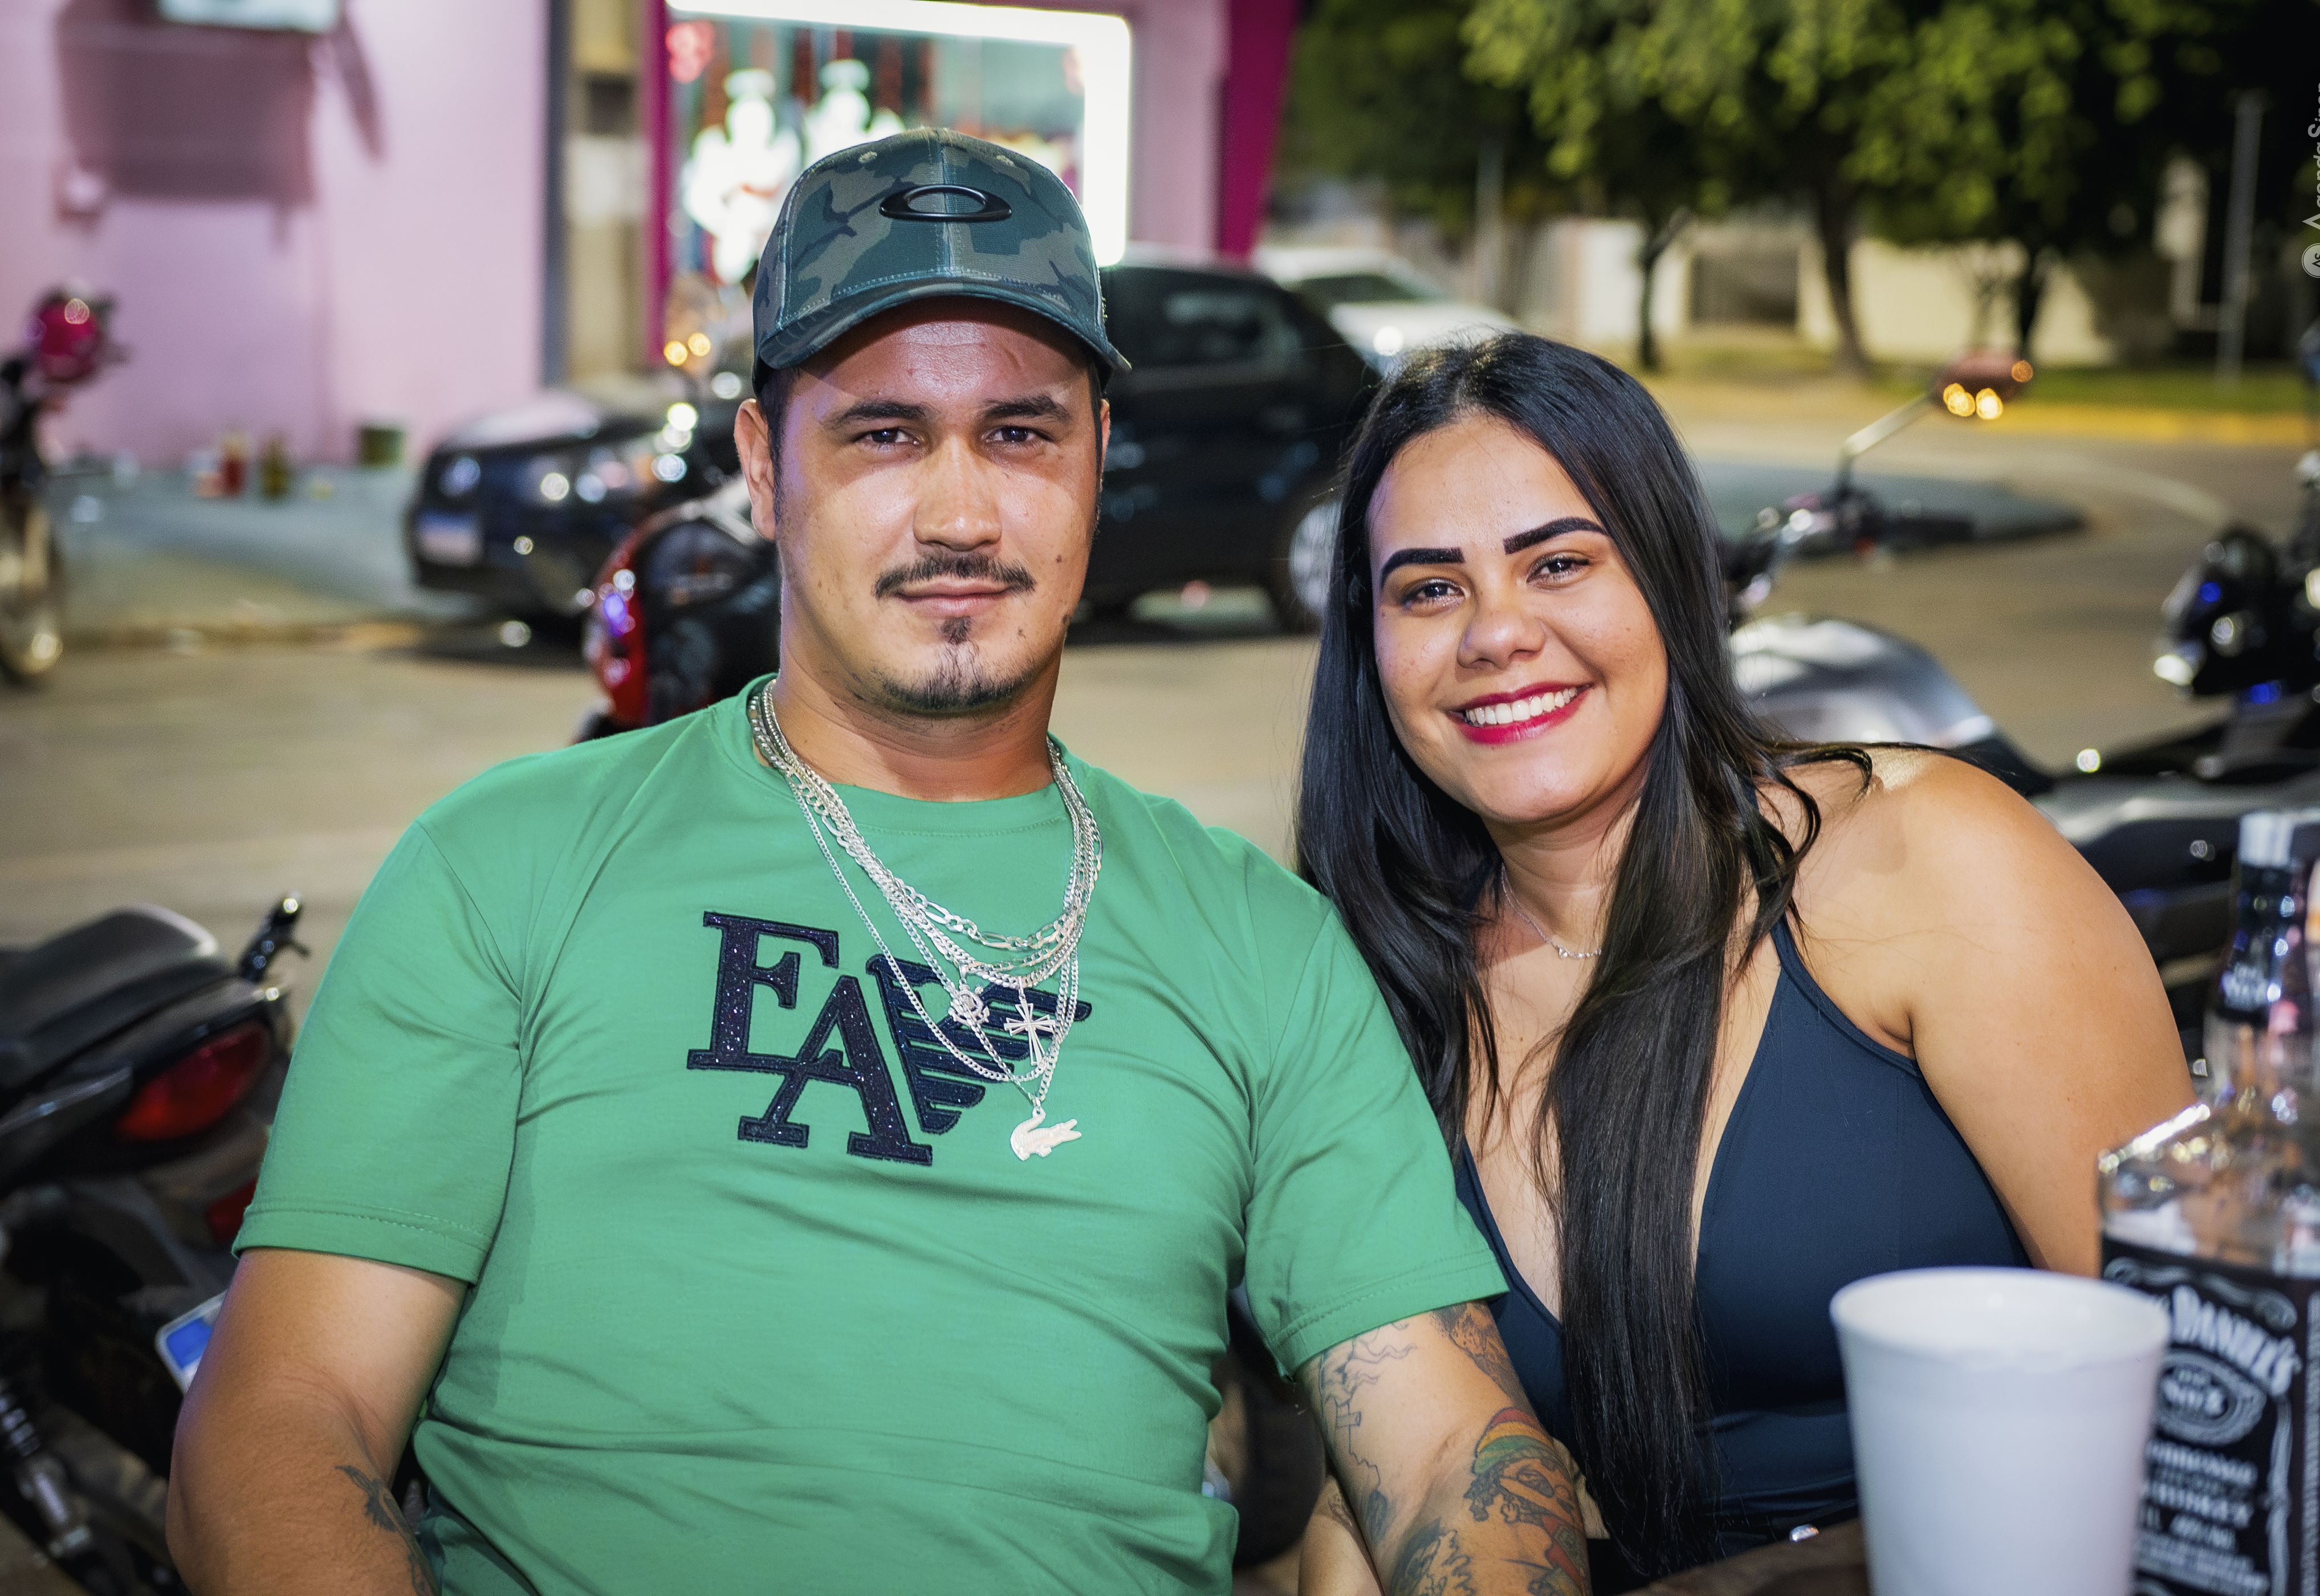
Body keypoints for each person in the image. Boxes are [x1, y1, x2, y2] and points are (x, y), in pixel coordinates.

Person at [166, 133, 1588, 1596]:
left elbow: (1450, 1453)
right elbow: (284, 1418)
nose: (961, 516)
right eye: (885, 435)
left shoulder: (1260, 944)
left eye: (1021, 434)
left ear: (1098, 458)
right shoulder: (505, 866)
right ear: (762, 467)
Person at [1291, 335, 2193, 1592]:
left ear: (1669, 576)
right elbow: (1397, 1474)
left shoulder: (1928, 859)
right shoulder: (1373, 977)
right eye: (1430, 589)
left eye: (1560, 563)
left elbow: (2198, 1402)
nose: (1497, 631)